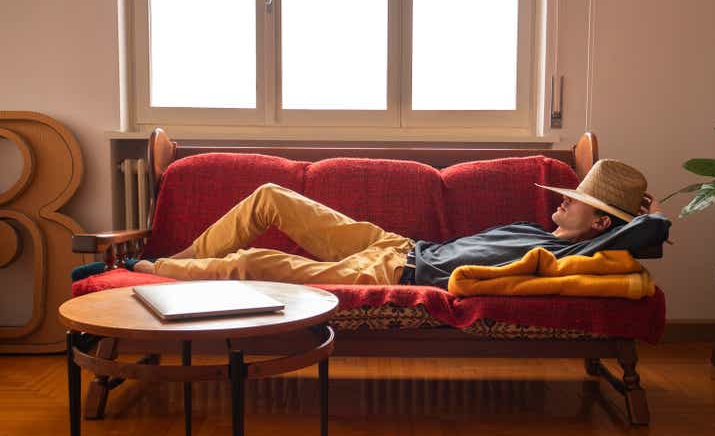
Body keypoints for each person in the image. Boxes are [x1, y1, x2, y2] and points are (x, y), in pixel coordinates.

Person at [132, 159, 671, 289]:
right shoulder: (539, 235)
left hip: (397, 275)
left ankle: (151, 275)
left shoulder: (566, 259)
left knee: (251, 263)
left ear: (601, 221)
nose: (561, 201)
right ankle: (174, 266)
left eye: (574, 200)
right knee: (271, 195)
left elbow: (648, 232)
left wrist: (631, 216)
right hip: (398, 245)